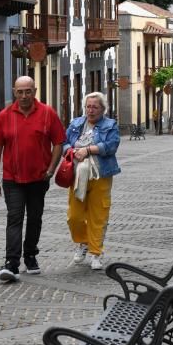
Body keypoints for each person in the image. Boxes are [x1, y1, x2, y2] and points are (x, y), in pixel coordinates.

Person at [0, 76, 65, 282]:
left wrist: (51, 169)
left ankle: (30, 254)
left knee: (34, 218)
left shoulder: (48, 114)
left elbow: (58, 142)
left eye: (28, 91)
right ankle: (11, 263)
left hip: (39, 178)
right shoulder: (4, 116)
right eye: (20, 92)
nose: (24, 96)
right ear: (14, 91)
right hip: (12, 178)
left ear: (35, 91)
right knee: (14, 218)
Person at [64, 92, 120, 270]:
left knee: (98, 215)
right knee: (74, 216)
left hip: (101, 174)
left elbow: (111, 145)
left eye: (95, 107)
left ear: (103, 109)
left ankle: (96, 253)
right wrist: (71, 152)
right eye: (88, 106)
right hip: (77, 174)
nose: (91, 110)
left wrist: (88, 150)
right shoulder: (76, 123)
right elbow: (64, 142)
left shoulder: (110, 125)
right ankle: (82, 242)